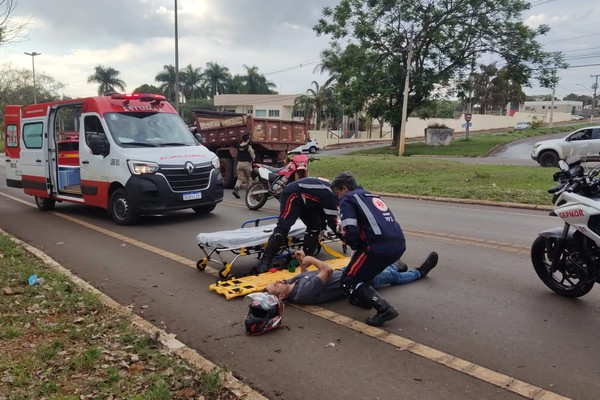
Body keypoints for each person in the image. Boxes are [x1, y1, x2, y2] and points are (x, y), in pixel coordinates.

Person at [330, 171, 406, 327]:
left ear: (344, 189)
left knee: (348, 281)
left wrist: (354, 244)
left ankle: (384, 309)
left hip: (377, 246)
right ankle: (364, 299)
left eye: (338, 193)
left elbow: (350, 228)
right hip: (399, 244)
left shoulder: (348, 199)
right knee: (365, 275)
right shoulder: (371, 196)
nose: (338, 197)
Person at [265, 250, 438, 305]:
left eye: (274, 281)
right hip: (357, 282)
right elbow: (326, 271)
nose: (278, 281)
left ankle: (395, 265)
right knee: (390, 276)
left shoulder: (295, 285)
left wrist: (302, 261)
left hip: (350, 272)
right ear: (281, 296)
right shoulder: (302, 294)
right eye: (276, 286)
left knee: (377, 265)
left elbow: (305, 276)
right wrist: (312, 260)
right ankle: (419, 272)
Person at [254, 177, 339, 274]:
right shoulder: (331, 196)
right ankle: (264, 263)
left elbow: (323, 213)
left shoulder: (333, 192)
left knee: (315, 226)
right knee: (283, 227)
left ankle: (305, 259)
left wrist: (323, 228)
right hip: (293, 194)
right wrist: (348, 240)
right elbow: (333, 222)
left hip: (307, 201)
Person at [232, 134, 255, 198]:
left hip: (239, 164)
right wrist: (253, 158)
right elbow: (253, 156)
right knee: (249, 178)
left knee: (240, 178)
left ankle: (236, 190)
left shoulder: (238, 146)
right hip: (247, 164)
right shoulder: (248, 147)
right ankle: (248, 192)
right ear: (247, 139)